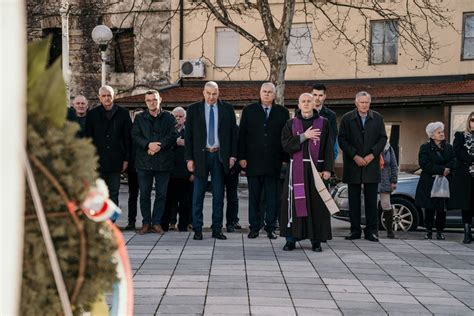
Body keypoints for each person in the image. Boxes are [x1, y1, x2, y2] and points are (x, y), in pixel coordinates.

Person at [280, 93, 334, 251]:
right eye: (303, 101)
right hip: (295, 170)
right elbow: (286, 145)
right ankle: (291, 239)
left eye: (309, 101)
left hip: (316, 171)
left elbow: (328, 147)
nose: (306, 104)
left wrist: (328, 169)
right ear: (298, 104)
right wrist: (305, 136)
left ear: (314, 103)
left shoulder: (324, 123)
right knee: (294, 204)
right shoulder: (291, 124)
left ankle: (316, 240)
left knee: (316, 206)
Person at [185, 81, 238, 240]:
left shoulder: (227, 109)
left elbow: (233, 135)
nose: (211, 97)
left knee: (218, 195)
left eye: (214, 93)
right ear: (203, 93)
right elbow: (188, 136)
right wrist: (189, 158)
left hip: (219, 156)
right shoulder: (194, 109)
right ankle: (198, 230)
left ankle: (217, 229)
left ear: (218, 93)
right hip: (201, 156)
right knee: (197, 195)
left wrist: (233, 156)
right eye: (208, 93)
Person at [238, 82, 290, 239]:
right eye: (264, 91)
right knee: (254, 196)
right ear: (260, 93)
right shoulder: (249, 110)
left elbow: (286, 137)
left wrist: (285, 159)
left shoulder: (282, 112)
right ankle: (254, 227)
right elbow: (241, 135)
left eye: (270, 92)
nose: (267, 94)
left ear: (274, 94)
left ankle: (270, 227)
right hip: (253, 161)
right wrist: (241, 157)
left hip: (274, 162)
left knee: (272, 197)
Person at [338, 91, 387, 242]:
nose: (364, 105)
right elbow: (342, 140)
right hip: (353, 164)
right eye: (362, 102)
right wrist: (355, 156)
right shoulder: (347, 118)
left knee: (372, 200)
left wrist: (372, 155)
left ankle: (372, 231)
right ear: (356, 103)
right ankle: (355, 230)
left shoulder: (377, 118)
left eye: (367, 102)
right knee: (354, 200)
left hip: (371, 165)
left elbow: (383, 138)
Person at [132, 90, 177, 235]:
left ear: (160, 99)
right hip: (144, 162)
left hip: (163, 162)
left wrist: (159, 146)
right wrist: (148, 145)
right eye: (149, 100)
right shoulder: (139, 118)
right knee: (144, 194)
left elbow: (173, 135)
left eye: (154, 99)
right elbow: (135, 135)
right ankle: (146, 223)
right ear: (145, 102)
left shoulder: (169, 117)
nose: (152, 102)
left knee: (161, 194)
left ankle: (156, 222)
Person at [84, 86, 131, 207]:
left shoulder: (123, 113)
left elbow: (128, 139)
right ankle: (100, 223)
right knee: (99, 193)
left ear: (113, 96)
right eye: (104, 96)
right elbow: (88, 139)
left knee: (114, 193)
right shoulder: (92, 114)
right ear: (99, 98)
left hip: (117, 161)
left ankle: (111, 223)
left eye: (109, 95)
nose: (107, 98)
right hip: (98, 161)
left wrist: (126, 159)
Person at [415, 122, 456, 240]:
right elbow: (424, 164)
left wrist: (447, 170)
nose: (442, 134)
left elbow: (454, 160)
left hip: (445, 182)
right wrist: (441, 169)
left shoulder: (449, 147)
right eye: (439, 132)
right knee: (429, 208)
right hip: (429, 182)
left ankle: (440, 231)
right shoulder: (425, 147)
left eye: (442, 131)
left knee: (442, 209)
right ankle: (428, 231)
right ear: (432, 135)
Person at [162, 107, 193, 232]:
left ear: (185, 118)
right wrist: (176, 142)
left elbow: (195, 152)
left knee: (185, 202)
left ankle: (183, 225)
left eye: (180, 116)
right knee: (168, 201)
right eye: (176, 116)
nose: (178, 118)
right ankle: (165, 224)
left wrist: (193, 172)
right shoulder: (167, 131)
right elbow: (162, 145)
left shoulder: (190, 132)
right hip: (169, 171)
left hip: (185, 173)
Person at [450, 112, 474, 243]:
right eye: (472, 120)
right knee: (466, 204)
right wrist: (471, 159)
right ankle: (467, 232)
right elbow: (457, 152)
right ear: (468, 121)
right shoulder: (460, 136)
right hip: (465, 175)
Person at [123, 109, 144, 231]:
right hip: (133, 168)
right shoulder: (129, 132)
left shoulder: (146, 131)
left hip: (145, 167)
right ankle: (131, 221)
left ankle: (147, 222)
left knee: (145, 196)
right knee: (133, 195)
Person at [312, 84, 338, 160]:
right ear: (311, 95)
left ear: (324, 96)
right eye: (315, 95)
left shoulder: (331, 115)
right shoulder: (301, 113)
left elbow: (332, 137)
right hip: (306, 154)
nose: (317, 98)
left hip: (323, 155)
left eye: (320, 95)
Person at [378, 142, 399, 239]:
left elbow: (394, 165)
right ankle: (373, 230)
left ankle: (389, 231)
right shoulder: (369, 144)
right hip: (371, 178)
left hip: (385, 179)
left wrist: (394, 180)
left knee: (386, 204)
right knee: (371, 205)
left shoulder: (389, 148)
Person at [224, 163, 241, 232]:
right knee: (217, 198)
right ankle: (217, 223)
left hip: (233, 169)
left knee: (232, 197)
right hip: (218, 168)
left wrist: (238, 168)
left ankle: (232, 221)